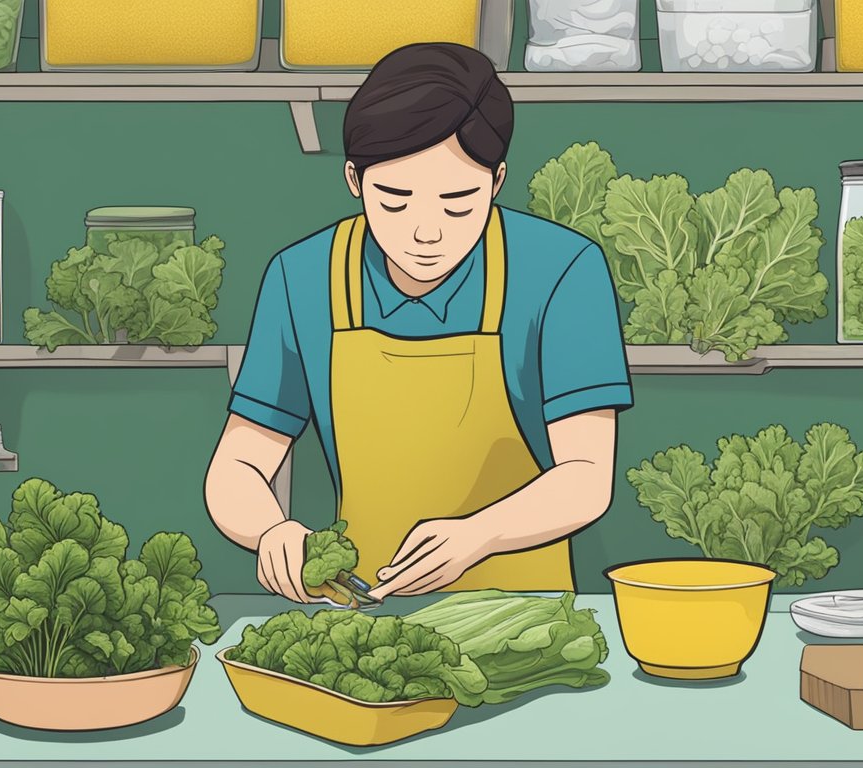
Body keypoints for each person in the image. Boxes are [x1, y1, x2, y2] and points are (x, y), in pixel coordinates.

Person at [205, 42, 632, 602]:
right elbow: (238, 461)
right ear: (355, 180)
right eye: (395, 200)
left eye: (458, 202)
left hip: (524, 613)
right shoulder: (303, 276)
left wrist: (480, 535)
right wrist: (270, 530)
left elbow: (586, 476)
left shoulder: (560, 270)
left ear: (497, 180)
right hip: (360, 613)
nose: (426, 232)